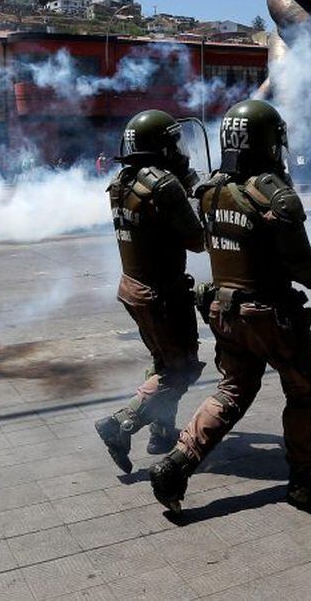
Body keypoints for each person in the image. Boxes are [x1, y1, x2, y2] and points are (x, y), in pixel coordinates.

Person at [148, 99, 311, 512]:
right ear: (267, 142)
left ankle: (176, 465)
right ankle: (304, 481)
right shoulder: (274, 197)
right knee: (303, 389)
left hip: (224, 312)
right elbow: (300, 263)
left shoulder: (210, 190)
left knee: (232, 391)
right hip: (270, 317)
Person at [95, 109, 207, 473]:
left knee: (164, 364)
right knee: (182, 370)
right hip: (163, 294)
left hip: (133, 289)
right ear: (161, 146)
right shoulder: (163, 186)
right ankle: (120, 424)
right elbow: (196, 241)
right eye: (173, 142)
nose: (179, 149)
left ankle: (161, 431)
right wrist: (192, 194)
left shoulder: (122, 181)